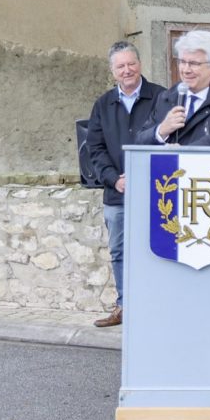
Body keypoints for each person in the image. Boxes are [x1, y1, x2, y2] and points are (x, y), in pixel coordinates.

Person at [86, 42, 165, 327]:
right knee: (120, 252)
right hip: (117, 194)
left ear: (140, 64)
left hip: (158, 193)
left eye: (131, 63)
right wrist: (115, 179)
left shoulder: (161, 97)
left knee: (159, 250)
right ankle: (125, 307)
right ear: (113, 71)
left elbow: (170, 140)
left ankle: (157, 307)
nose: (127, 70)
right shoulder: (103, 104)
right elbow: (95, 149)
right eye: (120, 66)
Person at [137, 30, 210, 147]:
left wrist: (183, 153)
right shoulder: (167, 98)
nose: (186, 70)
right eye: (182, 62)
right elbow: (139, 142)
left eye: (194, 63)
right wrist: (161, 130)